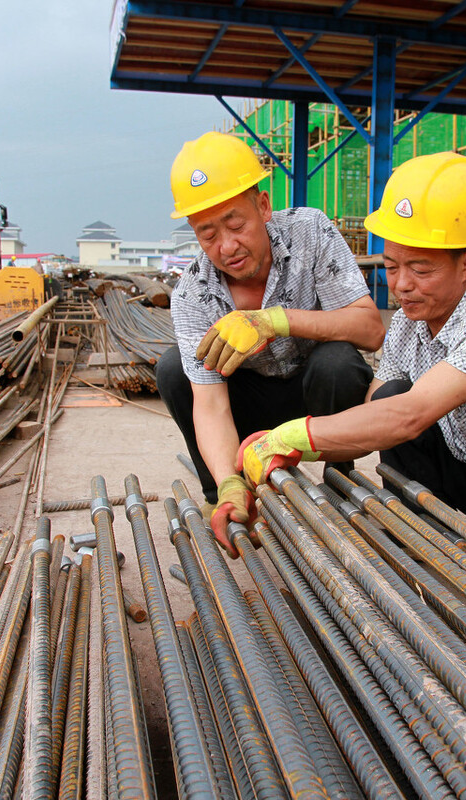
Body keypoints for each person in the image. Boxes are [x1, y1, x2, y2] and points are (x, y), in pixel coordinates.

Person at [239, 152, 466, 577]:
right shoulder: (408, 327)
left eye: (420, 269)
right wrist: (279, 454)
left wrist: (292, 435)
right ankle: (415, 538)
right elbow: (379, 416)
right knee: (391, 399)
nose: (402, 284)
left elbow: (411, 417)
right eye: (392, 267)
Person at [157, 131, 386, 555]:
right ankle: (226, 493)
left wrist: (275, 322)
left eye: (235, 224)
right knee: (174, 370)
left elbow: (371, 329)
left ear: (262, 206)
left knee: (339, 362)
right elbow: (210, 405)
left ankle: (339, 485)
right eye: (207, 235)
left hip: (315, 398)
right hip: (251, 404)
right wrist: (229, 482)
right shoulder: (192, 294)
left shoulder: (310, 232)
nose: (227, 246)